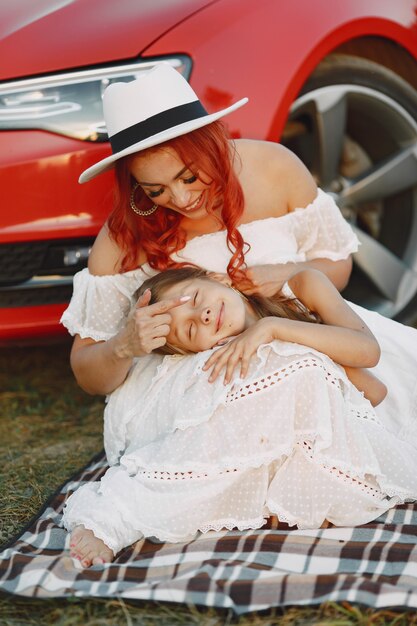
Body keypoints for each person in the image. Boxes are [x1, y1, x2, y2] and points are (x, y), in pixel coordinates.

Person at [60, 64, 417, 566]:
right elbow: (86, 372)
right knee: (277, 382)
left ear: (212, 143)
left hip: (300, 323)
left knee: (379, 386)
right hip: (197, 372)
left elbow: (335, 262)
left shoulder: (275, 167)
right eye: (156, 191)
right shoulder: (120, 239)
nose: (180, 199)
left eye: (188, 176)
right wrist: (126, 345)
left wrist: (289, 270)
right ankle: (133, 508)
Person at [134, 266, 387, 406]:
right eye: (190, 330)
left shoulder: (302, 287)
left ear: (216, 278)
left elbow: (371, 365)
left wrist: (272, 327)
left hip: (394, 372)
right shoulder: (242, 362)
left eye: (196, 298)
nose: (204, 315)